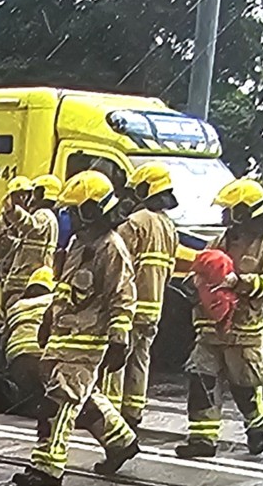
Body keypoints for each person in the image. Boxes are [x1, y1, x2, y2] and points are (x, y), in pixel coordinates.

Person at [13, 170, 139, 486]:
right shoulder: (78, 244)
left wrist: (118, 339)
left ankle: (46, 470)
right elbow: (65, 290)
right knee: (84, 397)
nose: (70, 216)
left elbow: (122, 295)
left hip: (86, 342)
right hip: (64, 339)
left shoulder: (112, 247)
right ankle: (121, 442)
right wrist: (47, 320)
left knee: (59, 403)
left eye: (74, 210)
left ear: (92, 210)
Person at [176, 178, 263, 459]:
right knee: (201, 378)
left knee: (245, 384)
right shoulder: (222, 240)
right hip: (209, 327)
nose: (225, 217)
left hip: (244, 329)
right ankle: (202, 439)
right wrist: (195, 283)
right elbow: (203, 266)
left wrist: (239, 282)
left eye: (230, 210)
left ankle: (257, 426)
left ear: (246, 211)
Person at [99, 162, 178, 429]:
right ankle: (134, 411)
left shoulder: (135, 222)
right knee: (141, 358)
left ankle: (110, 413)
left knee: (116, 360)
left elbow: (116, 262)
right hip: (154, 307)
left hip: (129, 306)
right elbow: (170, 269)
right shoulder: (169, 227)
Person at [0, 266, 55, 418]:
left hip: (19, 358)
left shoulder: (17, 306)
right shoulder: (53, 302)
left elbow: (3, 341)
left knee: (23, 391)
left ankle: (21, 397)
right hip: (46, 358)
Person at [1, 175, 61, 313]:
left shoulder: (44, 214)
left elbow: (31, 226)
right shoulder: (48, 216)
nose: (29, 197)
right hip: (27, 284)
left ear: (41, 192)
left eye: (33, 192)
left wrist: (13, 210)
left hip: (25, 285)